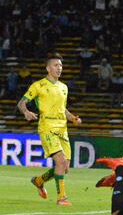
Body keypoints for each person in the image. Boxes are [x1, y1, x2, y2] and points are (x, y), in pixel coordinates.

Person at [17, 53, 82, 206]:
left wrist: (72, 118)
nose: (59, 68)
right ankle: (62, 198)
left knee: (64, 167)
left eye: (61, 65)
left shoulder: (64, 87)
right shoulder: (38, 85)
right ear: (48, 68)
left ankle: (39, 181)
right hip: (47, 127)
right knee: (59, 161)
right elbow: (21, 103)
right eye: (56, 65)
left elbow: (62, 109)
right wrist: (26, 112)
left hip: (62, 129)